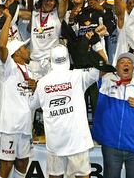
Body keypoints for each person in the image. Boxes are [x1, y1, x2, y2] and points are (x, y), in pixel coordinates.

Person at [30, 44, 101, 178]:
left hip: (55, 142)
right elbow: (102, 69)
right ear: (68, 58)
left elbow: (32, 104)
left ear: (51, 60)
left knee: (55, 176)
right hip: (77, 141)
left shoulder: (43, 82)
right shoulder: (78, 75)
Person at [92, 52, 134, 178]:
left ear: (133, 68)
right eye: (122, 62)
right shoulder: (106, 82)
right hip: (111, 146)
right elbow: (97, 67)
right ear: (116, 67)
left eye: (129, 62)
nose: (126, 64)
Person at [0, 8, 36, 178]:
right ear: (17, 52)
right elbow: (2, 46)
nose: (28, 50)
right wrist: (8, 19)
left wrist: (37, 87)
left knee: (23, 162)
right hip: (9, 125)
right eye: (24, 48)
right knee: (6, 164)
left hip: (25, 125)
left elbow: (34, 100)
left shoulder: (30, 71)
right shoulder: (8, 67)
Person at [29, 0, 68, 80]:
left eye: (51, 0)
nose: (49, 2)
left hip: (51, 62)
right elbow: (16, 12)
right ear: (41, 1)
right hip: (34, 63)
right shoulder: (33, 14)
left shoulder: (57, 15)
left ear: (55, 2)